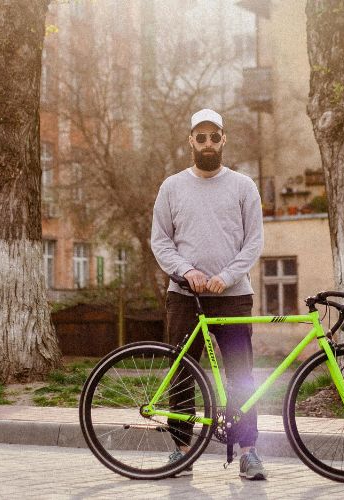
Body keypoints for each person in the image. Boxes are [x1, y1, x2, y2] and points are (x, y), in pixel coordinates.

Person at [150, 108, 266, 480]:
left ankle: (249, 453)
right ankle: (181, 452)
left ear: (223, 139)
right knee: (182, 372)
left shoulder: (243, 186)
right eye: (200, 137)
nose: (208, 144)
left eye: (214, 136)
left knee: (242, 375)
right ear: (191, 141)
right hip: (185, 296)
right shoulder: (172, 187)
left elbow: (254, 242)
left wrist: (227, 275)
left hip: (233, 295)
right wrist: (187, 271)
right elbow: (161, 241)